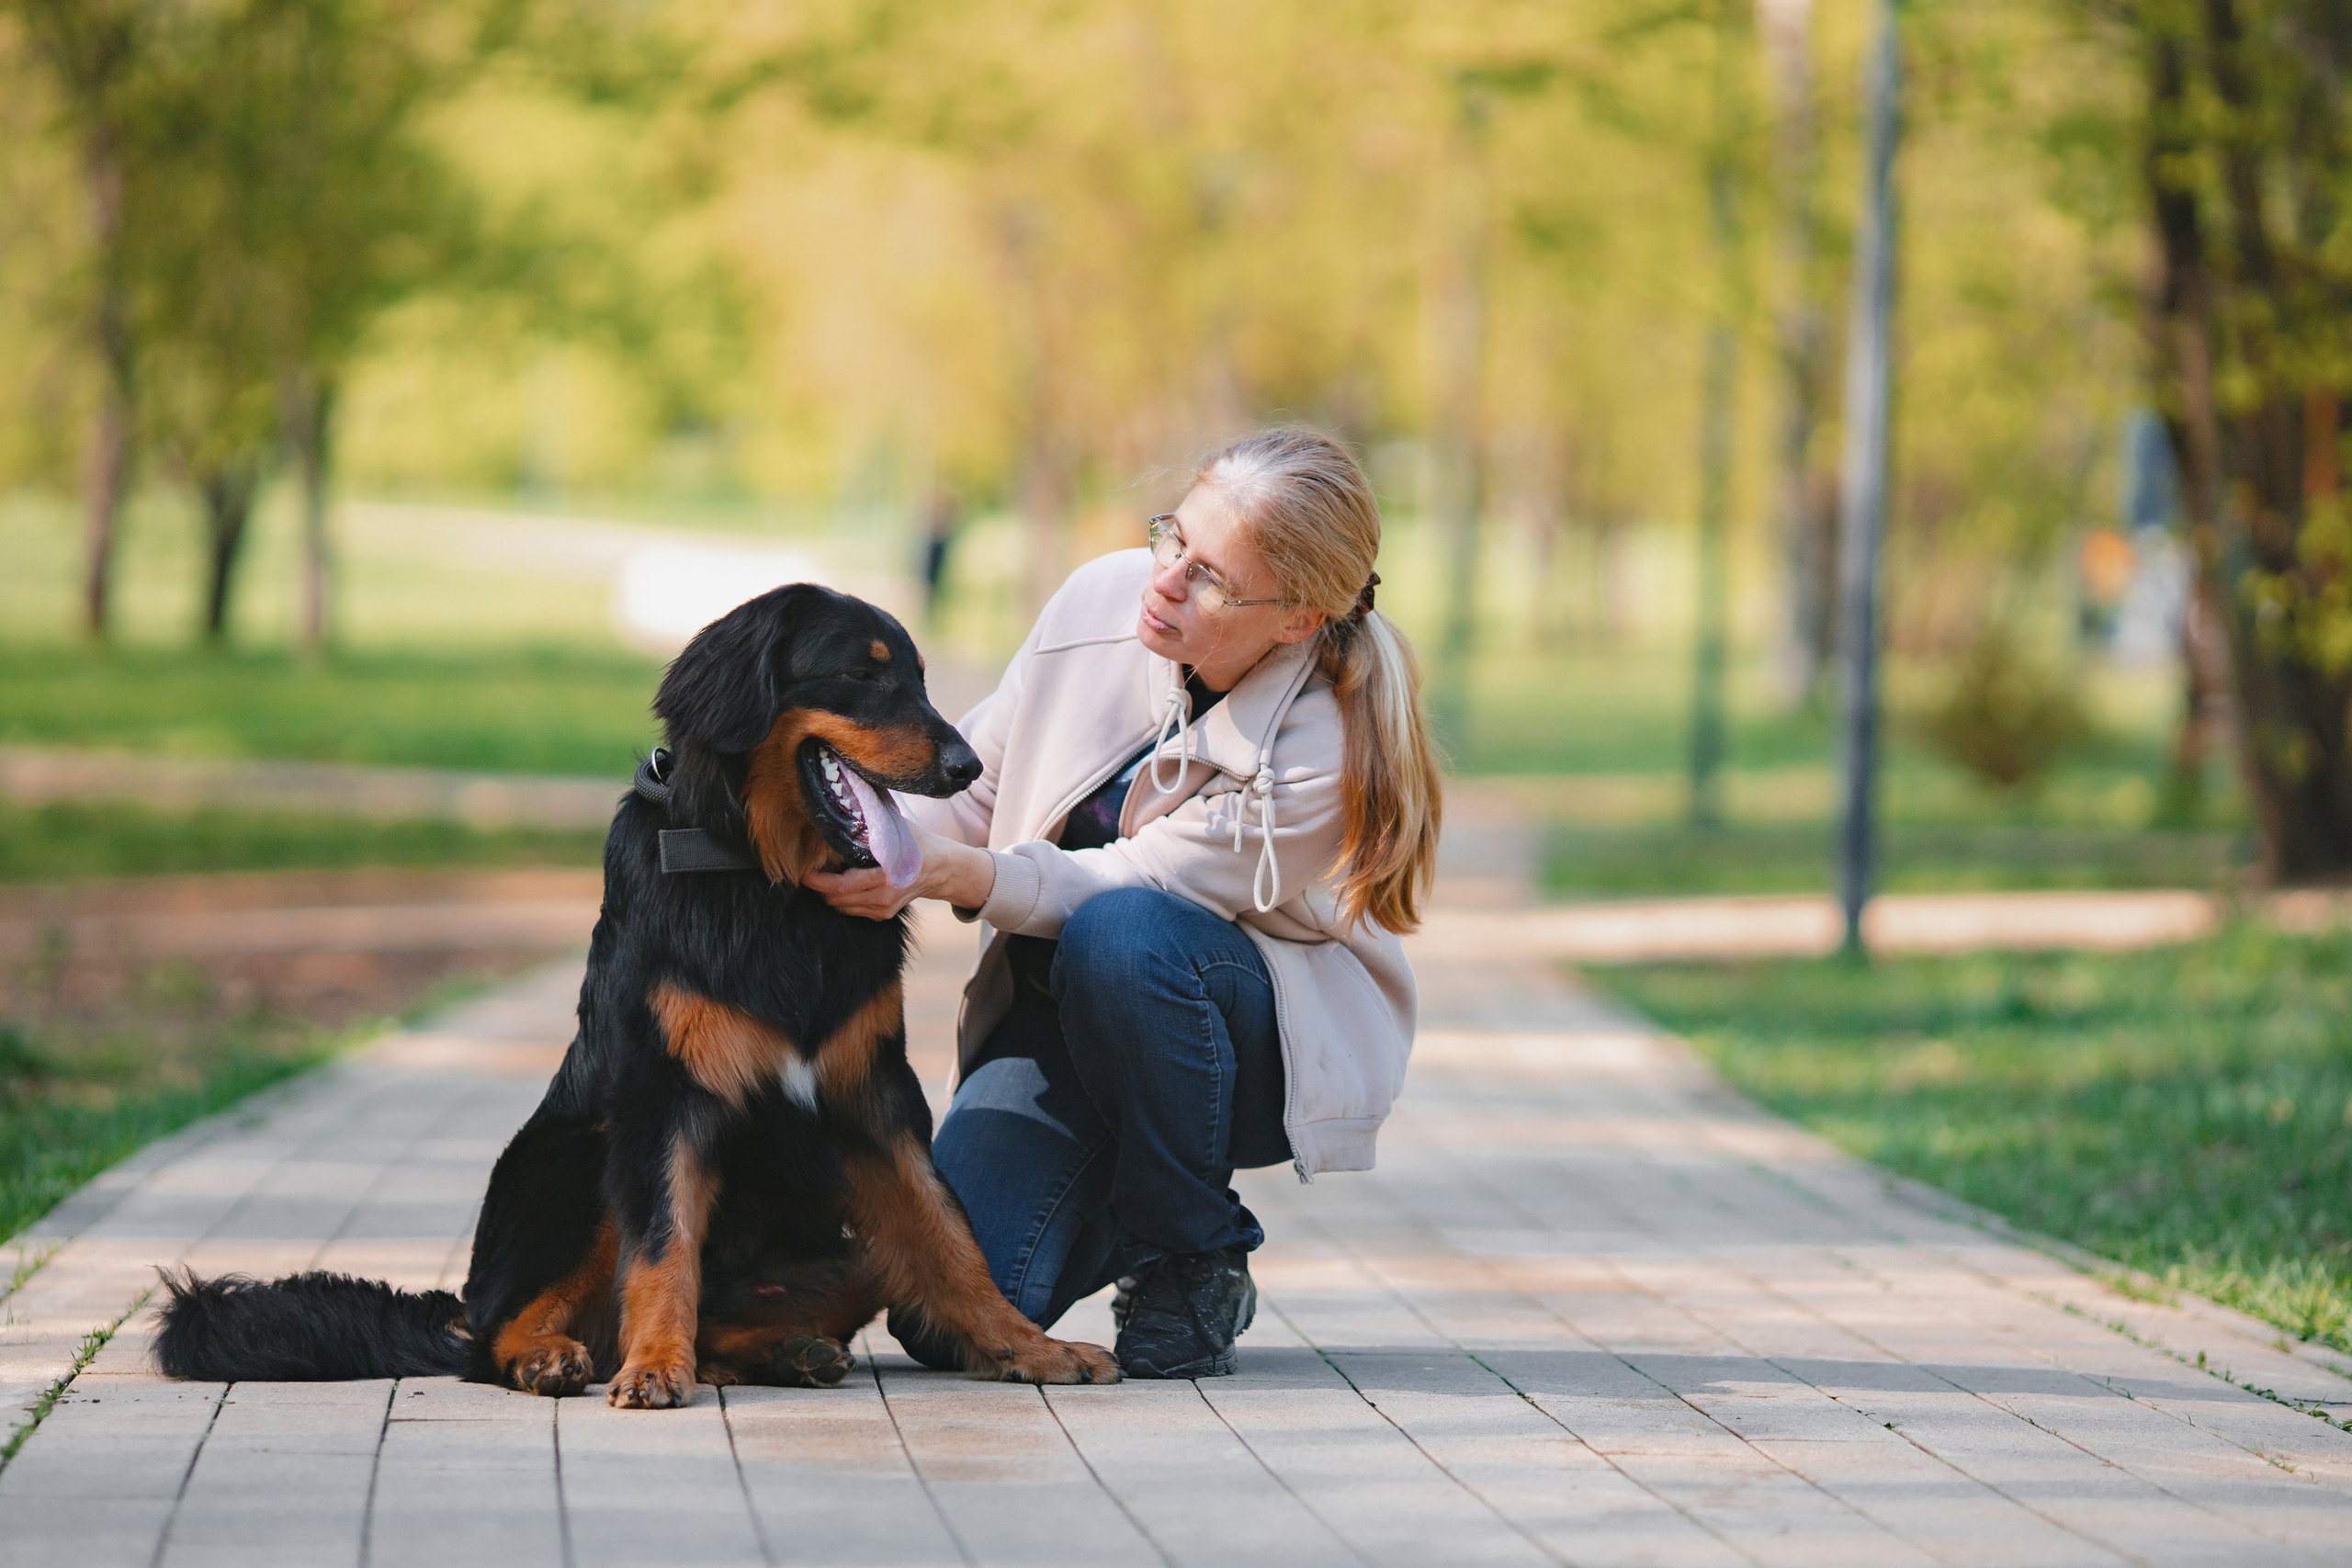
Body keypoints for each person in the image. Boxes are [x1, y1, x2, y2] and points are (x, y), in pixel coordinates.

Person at [808, 426, 1442, 1379]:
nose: (1165, 580)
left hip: (1238, 1041)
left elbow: (1129, 882)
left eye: (1212, 578)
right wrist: (838, 820)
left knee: (1122, 935)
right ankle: (1117, 1177)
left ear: (1297, 618)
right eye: (1170, 538)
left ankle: (1188, 1250)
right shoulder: (1100, 600)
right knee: (947, 1320)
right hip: (1062, 1011)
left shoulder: (1325, 744)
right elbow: (975, 792)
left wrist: (939, 875)